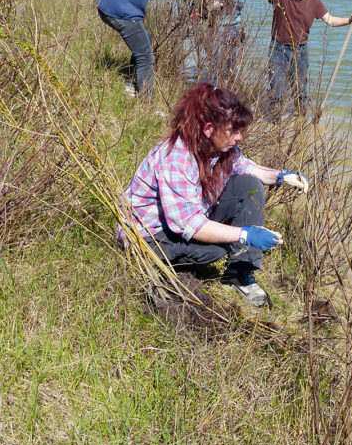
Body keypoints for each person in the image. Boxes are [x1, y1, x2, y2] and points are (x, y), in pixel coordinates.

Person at [119, 83, 310, 306]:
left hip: (185, 222)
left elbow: (246, 168)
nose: (239, 137)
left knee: (249, 185)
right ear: (209, 129)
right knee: (216, 249)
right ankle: (166, 267)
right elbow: (190, 224)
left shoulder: (220, 149)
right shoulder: (177, 158)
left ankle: (239, 273)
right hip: (148, 236)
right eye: (233, 130)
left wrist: (281, 176)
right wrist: (246, 235)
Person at [239, 0, 352, 114]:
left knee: (300, 90)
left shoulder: (314, 1)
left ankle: (300, 122)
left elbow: (331, 20)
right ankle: (275, 121)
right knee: (276, 88)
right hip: (278, 49)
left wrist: (349, 20)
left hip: (300, 51)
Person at [193, 0, 247, 85]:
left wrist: (203, 12)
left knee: (216, 67)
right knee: (231, 67)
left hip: (220, 29)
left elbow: (215, 6)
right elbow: (238, 5)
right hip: (236, 28)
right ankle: (231, 91)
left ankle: (214, 94)